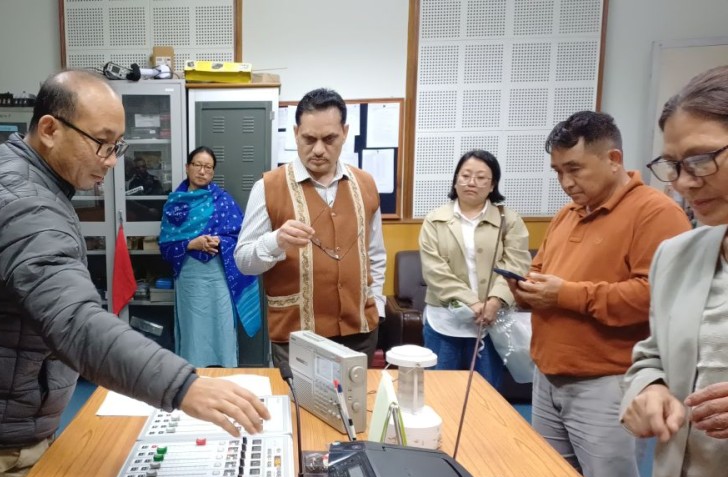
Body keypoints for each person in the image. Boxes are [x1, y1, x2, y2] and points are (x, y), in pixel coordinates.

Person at [0, 69, 270, 477]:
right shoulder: (23, 203)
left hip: (2, 408)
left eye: (117, 145)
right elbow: (75, 322)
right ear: (49, 130)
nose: (111, 161)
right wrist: (185, 387)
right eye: (102, 143)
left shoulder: (20, 173)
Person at [507, 111, 692, 477]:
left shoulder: (655, 214)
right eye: (557, 171)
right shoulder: (568, 213)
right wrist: (527, 290)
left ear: (613, 158)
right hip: (549, 377)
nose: (566, 182)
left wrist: (566, 295)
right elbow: (541, 269)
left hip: (607, 383)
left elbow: (656, 298)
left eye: (574, 169)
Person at [620, 65, 728, 477]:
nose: (685, 183)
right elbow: (650, 356)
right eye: (673, 165)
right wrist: (649, 389)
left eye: (703, 160)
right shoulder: (678, 256)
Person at [235, 88, 386, 367]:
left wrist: (377, 303)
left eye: (329, 139)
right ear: (295, 133)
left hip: (360, 332)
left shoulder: (365, 184)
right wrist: (276, 241)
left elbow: (375, 254)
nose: (318, 150)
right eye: (309, 139)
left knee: (354, 408)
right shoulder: (267, 187)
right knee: (298, 411)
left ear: (345, 132)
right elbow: (243, 261)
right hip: (297, 335)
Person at [419, 150, 531, 390]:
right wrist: (472, 302)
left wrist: (494, 301)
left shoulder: (509, 220)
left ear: (492, 185)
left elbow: (516, 263)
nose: (471, 182)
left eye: (481, 177)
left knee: (486, 394)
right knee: (439, 391)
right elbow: (434, 270)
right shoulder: (435, 220)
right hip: (445, 321)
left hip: (492, 322)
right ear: (455, 179)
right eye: (466, 175)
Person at [158, 146, 260, 367]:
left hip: (218, 277)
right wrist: (191, 243)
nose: (202, 171)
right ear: (187, 167)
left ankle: (226, 371)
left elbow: (241, 238)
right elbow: (165, 246)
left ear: (213, 172)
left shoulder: (223, 200)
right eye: (198, 165)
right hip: (190, 279)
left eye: (208, 167)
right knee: (193, 328)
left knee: (222, 325)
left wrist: (221, 242)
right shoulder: (174, 204)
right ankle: (191, 376)